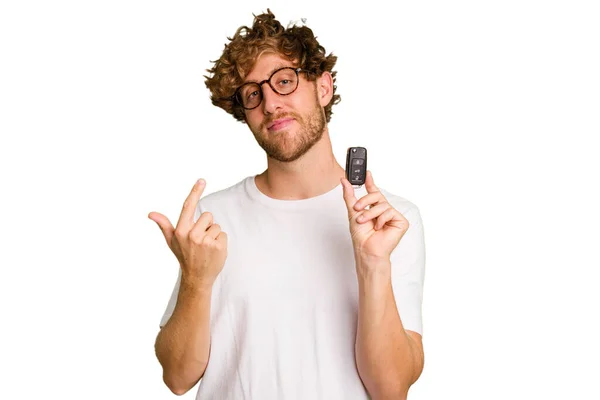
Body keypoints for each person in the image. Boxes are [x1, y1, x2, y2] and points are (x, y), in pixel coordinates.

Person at [148, 9, 426, 400]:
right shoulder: (211, 222)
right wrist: (196, 280)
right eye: (252, 94)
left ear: (324, 88)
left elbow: (391, 389)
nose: (270, 104)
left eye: (284, 81)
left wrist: (373, 264)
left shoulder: (389, 222)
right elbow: (177, 377)